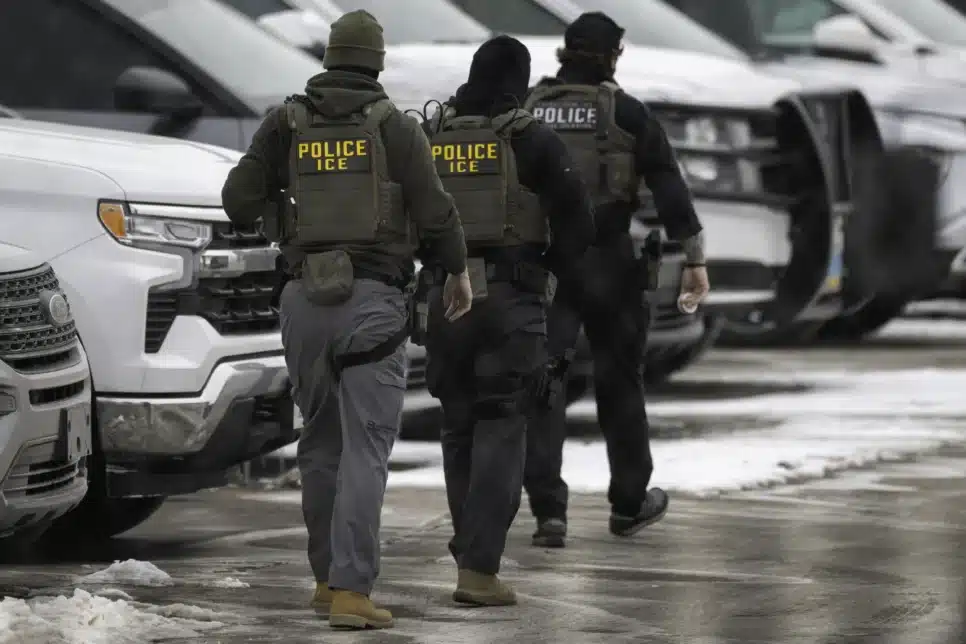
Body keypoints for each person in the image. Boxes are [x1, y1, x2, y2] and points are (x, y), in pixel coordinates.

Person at [221, 10, 472, 630]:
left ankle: (325, 581)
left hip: (302, 299)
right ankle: (353, 592)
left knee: (321, 441)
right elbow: (436, 211)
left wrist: (285, 224)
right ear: (376, 63)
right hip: (374, 304)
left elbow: (237, 199)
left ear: (330, 57)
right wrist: (456, 271)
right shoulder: (394, 128)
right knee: (367, 447)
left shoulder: (286, 122)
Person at [522, 11, 710, 548]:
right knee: (621, 382)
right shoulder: (626, 112)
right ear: (610, 56)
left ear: (565, 52)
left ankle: (548, 513)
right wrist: (694, 258)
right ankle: (628, 503)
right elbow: (669, 186)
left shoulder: (528, 111)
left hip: (546, 264)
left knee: (546, 383)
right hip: (609, 261)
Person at [419, 35, 594, 606]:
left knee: (457, 425)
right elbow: (580, 224)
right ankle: (479, 568)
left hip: (445, 297)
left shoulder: (431, 133)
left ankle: (470, 548)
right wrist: (551, 276)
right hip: (511, 300)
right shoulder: (532, 138)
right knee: (501, 423)